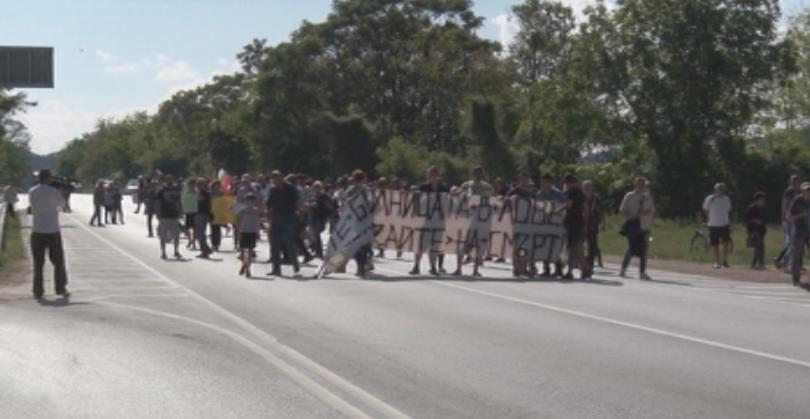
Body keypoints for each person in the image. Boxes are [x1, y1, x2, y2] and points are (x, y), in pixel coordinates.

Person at [28, 170, 70, 299]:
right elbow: (62, 205)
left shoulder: (32, 191)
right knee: (58, 262)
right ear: (49, 178)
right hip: (52, 229)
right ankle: (60, 288)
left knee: (38, 263)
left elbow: (33, 205)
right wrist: (61, 192)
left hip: (37, 228)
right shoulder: (54, 191)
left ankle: (38, 290)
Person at [455, 166, 494, 277]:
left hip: (480, 221)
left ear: (482, 175)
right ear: (472, 174)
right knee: (462, 243)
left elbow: (493, 200)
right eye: (475, 173)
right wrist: (455, 191)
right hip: (466, 219)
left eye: (479, 173)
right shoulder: (466, 185)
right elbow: (458, 195)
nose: (477, 175)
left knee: (478, 245)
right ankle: (458, 269)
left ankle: (475, 269)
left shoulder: (487, 187)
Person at [411, 166, 450, 276]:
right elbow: (416, 202)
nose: (433, 176)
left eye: (435, 174)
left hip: (439, 222)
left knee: (435, 246)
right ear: (427, 175)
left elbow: (449, 202)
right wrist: (416, 196)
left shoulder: (444, 188)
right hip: (425, 221)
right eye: (431, 174)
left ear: (438, 175)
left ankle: (433, 267)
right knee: (420, 245)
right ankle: (416, 266)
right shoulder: (423, 187)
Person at [619, 176, 655, 280]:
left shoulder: (648, 197)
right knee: (632, 248)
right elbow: (622, 209)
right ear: (635, 185)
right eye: (639, 184)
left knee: (644, 249)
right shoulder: (629, 196)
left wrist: (644, 213)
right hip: (632, 226)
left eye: (643, 184)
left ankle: (642, 272)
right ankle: (623, 268)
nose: (641, 186)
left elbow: (652, 211)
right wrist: (630, 216)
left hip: (644, 226)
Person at [266, 171, 301, 277]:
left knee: (288, 242)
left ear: (282, 178)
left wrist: (298, 214)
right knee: (275, 244)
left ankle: (295, 265)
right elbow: (269, 204)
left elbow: (297, 202)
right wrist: (268, 216)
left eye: (277, 178)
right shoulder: (273, 190)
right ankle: (276, 269)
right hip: (276, 218)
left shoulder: (290, 189)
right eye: (273, 179)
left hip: (289, 218)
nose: (275, 181)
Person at [536, 174, 567, 277]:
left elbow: (564, 206)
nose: (543, 184)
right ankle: (546, 268)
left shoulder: (558, 194)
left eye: (545, 182)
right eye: (542, 182)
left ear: (550, 182)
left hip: (556, 224)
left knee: (556, 246)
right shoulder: (540, 193)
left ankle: (558, 268)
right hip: (544, 223)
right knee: (545, 246)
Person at [508, 171, 534, 277]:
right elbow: (506, 201)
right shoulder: (514, 191)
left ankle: (523, 267)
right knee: (517, 246)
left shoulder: (530, 193)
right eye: (523, 180)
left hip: (527, 222)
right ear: (520, 181)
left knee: (525, 247)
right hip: (516, 221)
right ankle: (516, 267)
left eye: (526, 180)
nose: (524, 182)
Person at [563, 175, 587, 280]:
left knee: (572, 248)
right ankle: (585, 269)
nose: (566, 185)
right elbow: (585, 206)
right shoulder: (580, 192)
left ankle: (570, 271)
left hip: (573, 222)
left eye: (567, 183)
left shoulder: (571, 192)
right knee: (577, 248)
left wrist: (557, 210)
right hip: (579, 222)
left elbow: (569, 205)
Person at [703, 183, 732, 269]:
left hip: (725, 224)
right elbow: (705, 209)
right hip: (713, 224)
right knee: (715, 244)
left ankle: (725, 260)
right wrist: (709, 218)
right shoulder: (710, 199)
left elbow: (728, 210)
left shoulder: (726, 199)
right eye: (719, 189)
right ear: (715, 190)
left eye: (722, 189)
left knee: (726, 242)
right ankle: (716, 261)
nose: (720, 190)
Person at [776, 175, 801, 271]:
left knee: (794, 243)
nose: (797, 183)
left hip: (796, 220)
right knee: (792, 242)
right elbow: (785, 204)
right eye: (795, 181)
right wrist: (787, 217)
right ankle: (784, 262)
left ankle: (786, 262)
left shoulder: (799, 191)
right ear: (792, 182)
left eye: (798, 181)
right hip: (789, 220)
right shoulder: (789, 191)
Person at [155, 175, 183, 260]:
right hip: (164, 215)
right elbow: (158, 203)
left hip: (174, 215)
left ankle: (176, 251)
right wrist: (158, 213)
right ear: (165, 181)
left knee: (176, 235)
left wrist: (180, 212)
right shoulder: (161, 191)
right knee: (163, 235)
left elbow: (179, 202)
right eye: (168, 180)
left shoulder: (176, 190)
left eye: (171, 179)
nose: (169, 181)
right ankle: (163, 252)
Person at [788, 183, 810, 286]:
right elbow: (790, 217)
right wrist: (801, 215)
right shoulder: (797, 201)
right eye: (806, 190)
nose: (808, 192)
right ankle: (796, 279)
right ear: (802, 190)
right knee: (797, 255)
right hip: (800, 231)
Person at [236, 193, 261, 278]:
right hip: (244, 231)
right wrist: (238, 232)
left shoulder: (256, 211)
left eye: (252, 201)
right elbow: (238, 222)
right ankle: (244, 264)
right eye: (248, 201)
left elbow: (258, 222)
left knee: (250, 251)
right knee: (243, 252)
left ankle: (248, 269)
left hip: (252, 232)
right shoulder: (242, 211)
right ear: (245, 202)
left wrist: (258, 232)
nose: (250, 203)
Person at [309, 181, 335, 260]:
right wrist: (310, 206)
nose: (316, 189)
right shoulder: (313, 196)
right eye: (315, 187)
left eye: (317, 187)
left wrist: (327, 215)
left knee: (317, 233)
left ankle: (319, 252)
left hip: (321, 217)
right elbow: (311, 203)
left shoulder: (324, 196)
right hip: (313, 216)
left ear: (321, 188)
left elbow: (330, 206)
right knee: (314, 234)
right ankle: (317, 251)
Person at [583, 180, 604, 270]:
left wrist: (602, 223)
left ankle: (590, 263)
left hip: (593, 223)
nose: (587, 189)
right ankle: (580, 261)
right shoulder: (581, 197)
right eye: (585, 187)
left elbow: (601, 211)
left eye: (589, 187)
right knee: (581, 243)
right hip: (582, 223)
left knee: (592, 244)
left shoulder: (596, 198)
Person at [745, 192, 768, 270]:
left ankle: (753, 264)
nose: (763, 201)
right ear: (757, 200)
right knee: (760, 247)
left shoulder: (763, 208)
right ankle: (760, 264)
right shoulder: (751, 208)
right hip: (753, 230)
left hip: (761, 230)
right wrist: (755, 220)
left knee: (757, 247)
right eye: (762, 199)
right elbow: (746, 219)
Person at [195, 178, 213, 258]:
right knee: (199, 233)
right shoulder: (201, 193)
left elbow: (201, 201)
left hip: (202, 214)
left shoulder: (205, 194)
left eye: (200, 184)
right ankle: (205, 249)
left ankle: (205, 250)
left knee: (200, 233)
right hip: (199, 214)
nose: (199, 186)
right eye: (198, 184)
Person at [181, 179, 199, 250]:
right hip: (187, 212)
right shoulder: (185, 193)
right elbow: (182, 202)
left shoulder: (197, 193)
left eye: (193, 185)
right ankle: (190, 239)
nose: (191, 186)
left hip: (195, 212)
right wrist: (181, 211)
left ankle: (194, 243)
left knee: (195, 229)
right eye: (190, 185)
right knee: (186, 228)